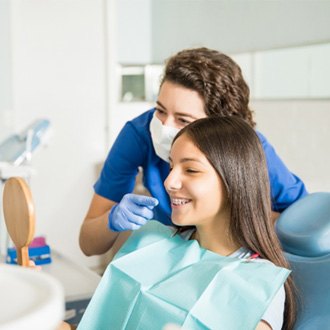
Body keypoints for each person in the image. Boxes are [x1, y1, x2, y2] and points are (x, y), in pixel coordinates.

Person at [79, 47, 307, 257]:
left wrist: (244, 218)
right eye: (160, 110)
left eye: (183, 119)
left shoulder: (249, 150)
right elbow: (89, 244)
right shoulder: (140, 134)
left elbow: (304, 227)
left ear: (221, 130)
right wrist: (112, 219)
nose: (164, 126)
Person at [76, 117, 296, 330]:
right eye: (171, 167)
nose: (169, 182)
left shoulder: (259, 283)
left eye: (191, 170)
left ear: (234, 182)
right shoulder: (151, 242)